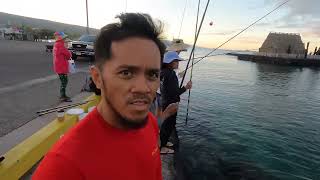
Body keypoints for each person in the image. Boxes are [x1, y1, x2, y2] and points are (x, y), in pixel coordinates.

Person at [33, 13, 166, 180]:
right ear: (97, 78)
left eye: (152, 74)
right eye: (126, 72)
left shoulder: (150, 124)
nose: (142, 88)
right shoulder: (63, 166)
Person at [159, 51, 192, 154]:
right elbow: (175, 92)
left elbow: (167, 89)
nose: (178, 63)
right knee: (169, 125)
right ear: (171, 62)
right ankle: (162, 147)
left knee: (166, 124)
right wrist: (186, 87)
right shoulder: (171, 74)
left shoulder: (163, 72)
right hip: (171, 104)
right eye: (176, 61)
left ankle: (163, 142)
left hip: (164, 101)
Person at [52, 32, 72, 102]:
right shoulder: (61, 45)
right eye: (64, 38)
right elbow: (68, 55)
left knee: (63, 81)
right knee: (64, 81)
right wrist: (67, 49)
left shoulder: (56, 44)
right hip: (62, 66)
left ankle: (63, 95)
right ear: (61, 38)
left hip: (59, 66)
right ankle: (62, 96)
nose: (65, 39)